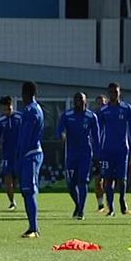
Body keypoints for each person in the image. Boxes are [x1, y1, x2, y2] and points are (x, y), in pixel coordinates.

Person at [56, 92, 100, 220]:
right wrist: (62, 135)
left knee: (83, 181)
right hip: (71, 154)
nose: (79, 102)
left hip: (85, 153)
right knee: (70, 183)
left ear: (86, 101)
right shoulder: (67, 115)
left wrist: (97, 156)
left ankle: (81, 210)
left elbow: (96, 138)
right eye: (77, 99)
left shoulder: (91, 117)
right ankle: (77, 204)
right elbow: (59, 130)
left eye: (81, 99)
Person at [97, 82, 131, 217]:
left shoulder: (126, 109)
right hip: (107, 149)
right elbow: (98, 132)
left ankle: (122, 202)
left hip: (122, 149)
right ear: (109, 93)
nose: (114, 94)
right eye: (111, 92)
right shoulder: (104, 110)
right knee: (108, 179)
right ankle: (111, 207)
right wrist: (98, 149)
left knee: (122, 178)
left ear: (120, 92)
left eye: (116, 92)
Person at [17, 81, 44, 238]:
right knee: (26, 191)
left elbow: (26, 136)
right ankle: (31, 227)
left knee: (29, 190)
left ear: (26, 93)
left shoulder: (31, 111)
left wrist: (20, 156)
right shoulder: (32, 109)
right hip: (30, 154)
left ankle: (34, 228)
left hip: (31, 154)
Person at [0, 96, 22, 210]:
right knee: (8, 179)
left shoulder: (20, 117)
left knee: (20, 178)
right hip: (7, 154)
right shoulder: (0, 121)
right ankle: (12, 202)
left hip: (20, 154)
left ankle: (26, 198)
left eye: (8, 109)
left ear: (12, 106)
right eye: (4, 109)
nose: (6, 111)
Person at [92, 95, 108, 211]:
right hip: (96, 153)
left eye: (102, 103)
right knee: (98, 180)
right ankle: (100, 204)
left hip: (108, 151)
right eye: (98, 103)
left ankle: (111, 203)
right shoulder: (93, 117)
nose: (100, 106)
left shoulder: (109, 116)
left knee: (108, 179)